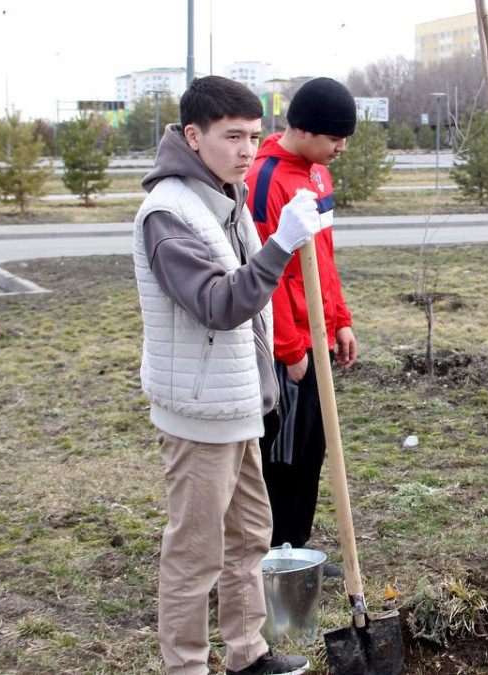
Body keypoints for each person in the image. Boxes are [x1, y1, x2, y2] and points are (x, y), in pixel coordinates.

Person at [133, 76, 312, 675]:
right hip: (198, 410)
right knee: (195, 552)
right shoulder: (169, 212)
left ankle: (248, 653)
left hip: (237, 403)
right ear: (193, 135)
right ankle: (186, 666)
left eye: (255, 137)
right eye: (232, 136)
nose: (246, 151)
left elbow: (255, 304)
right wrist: (281, 245)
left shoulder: (224, 196)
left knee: (250, 537)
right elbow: (218, 303)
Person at [244, 77, 359, 559]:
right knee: (283, 450)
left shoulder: (318, 175)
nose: (341, 148)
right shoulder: (264, 179)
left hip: (317, 335)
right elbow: (263, 272)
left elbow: (323, 261)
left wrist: (339, 321)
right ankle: (271, 552)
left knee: (312, 445)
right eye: (335, 138)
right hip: (284, 342)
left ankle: (298, 544)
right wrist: (290, 349)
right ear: (305, 130)